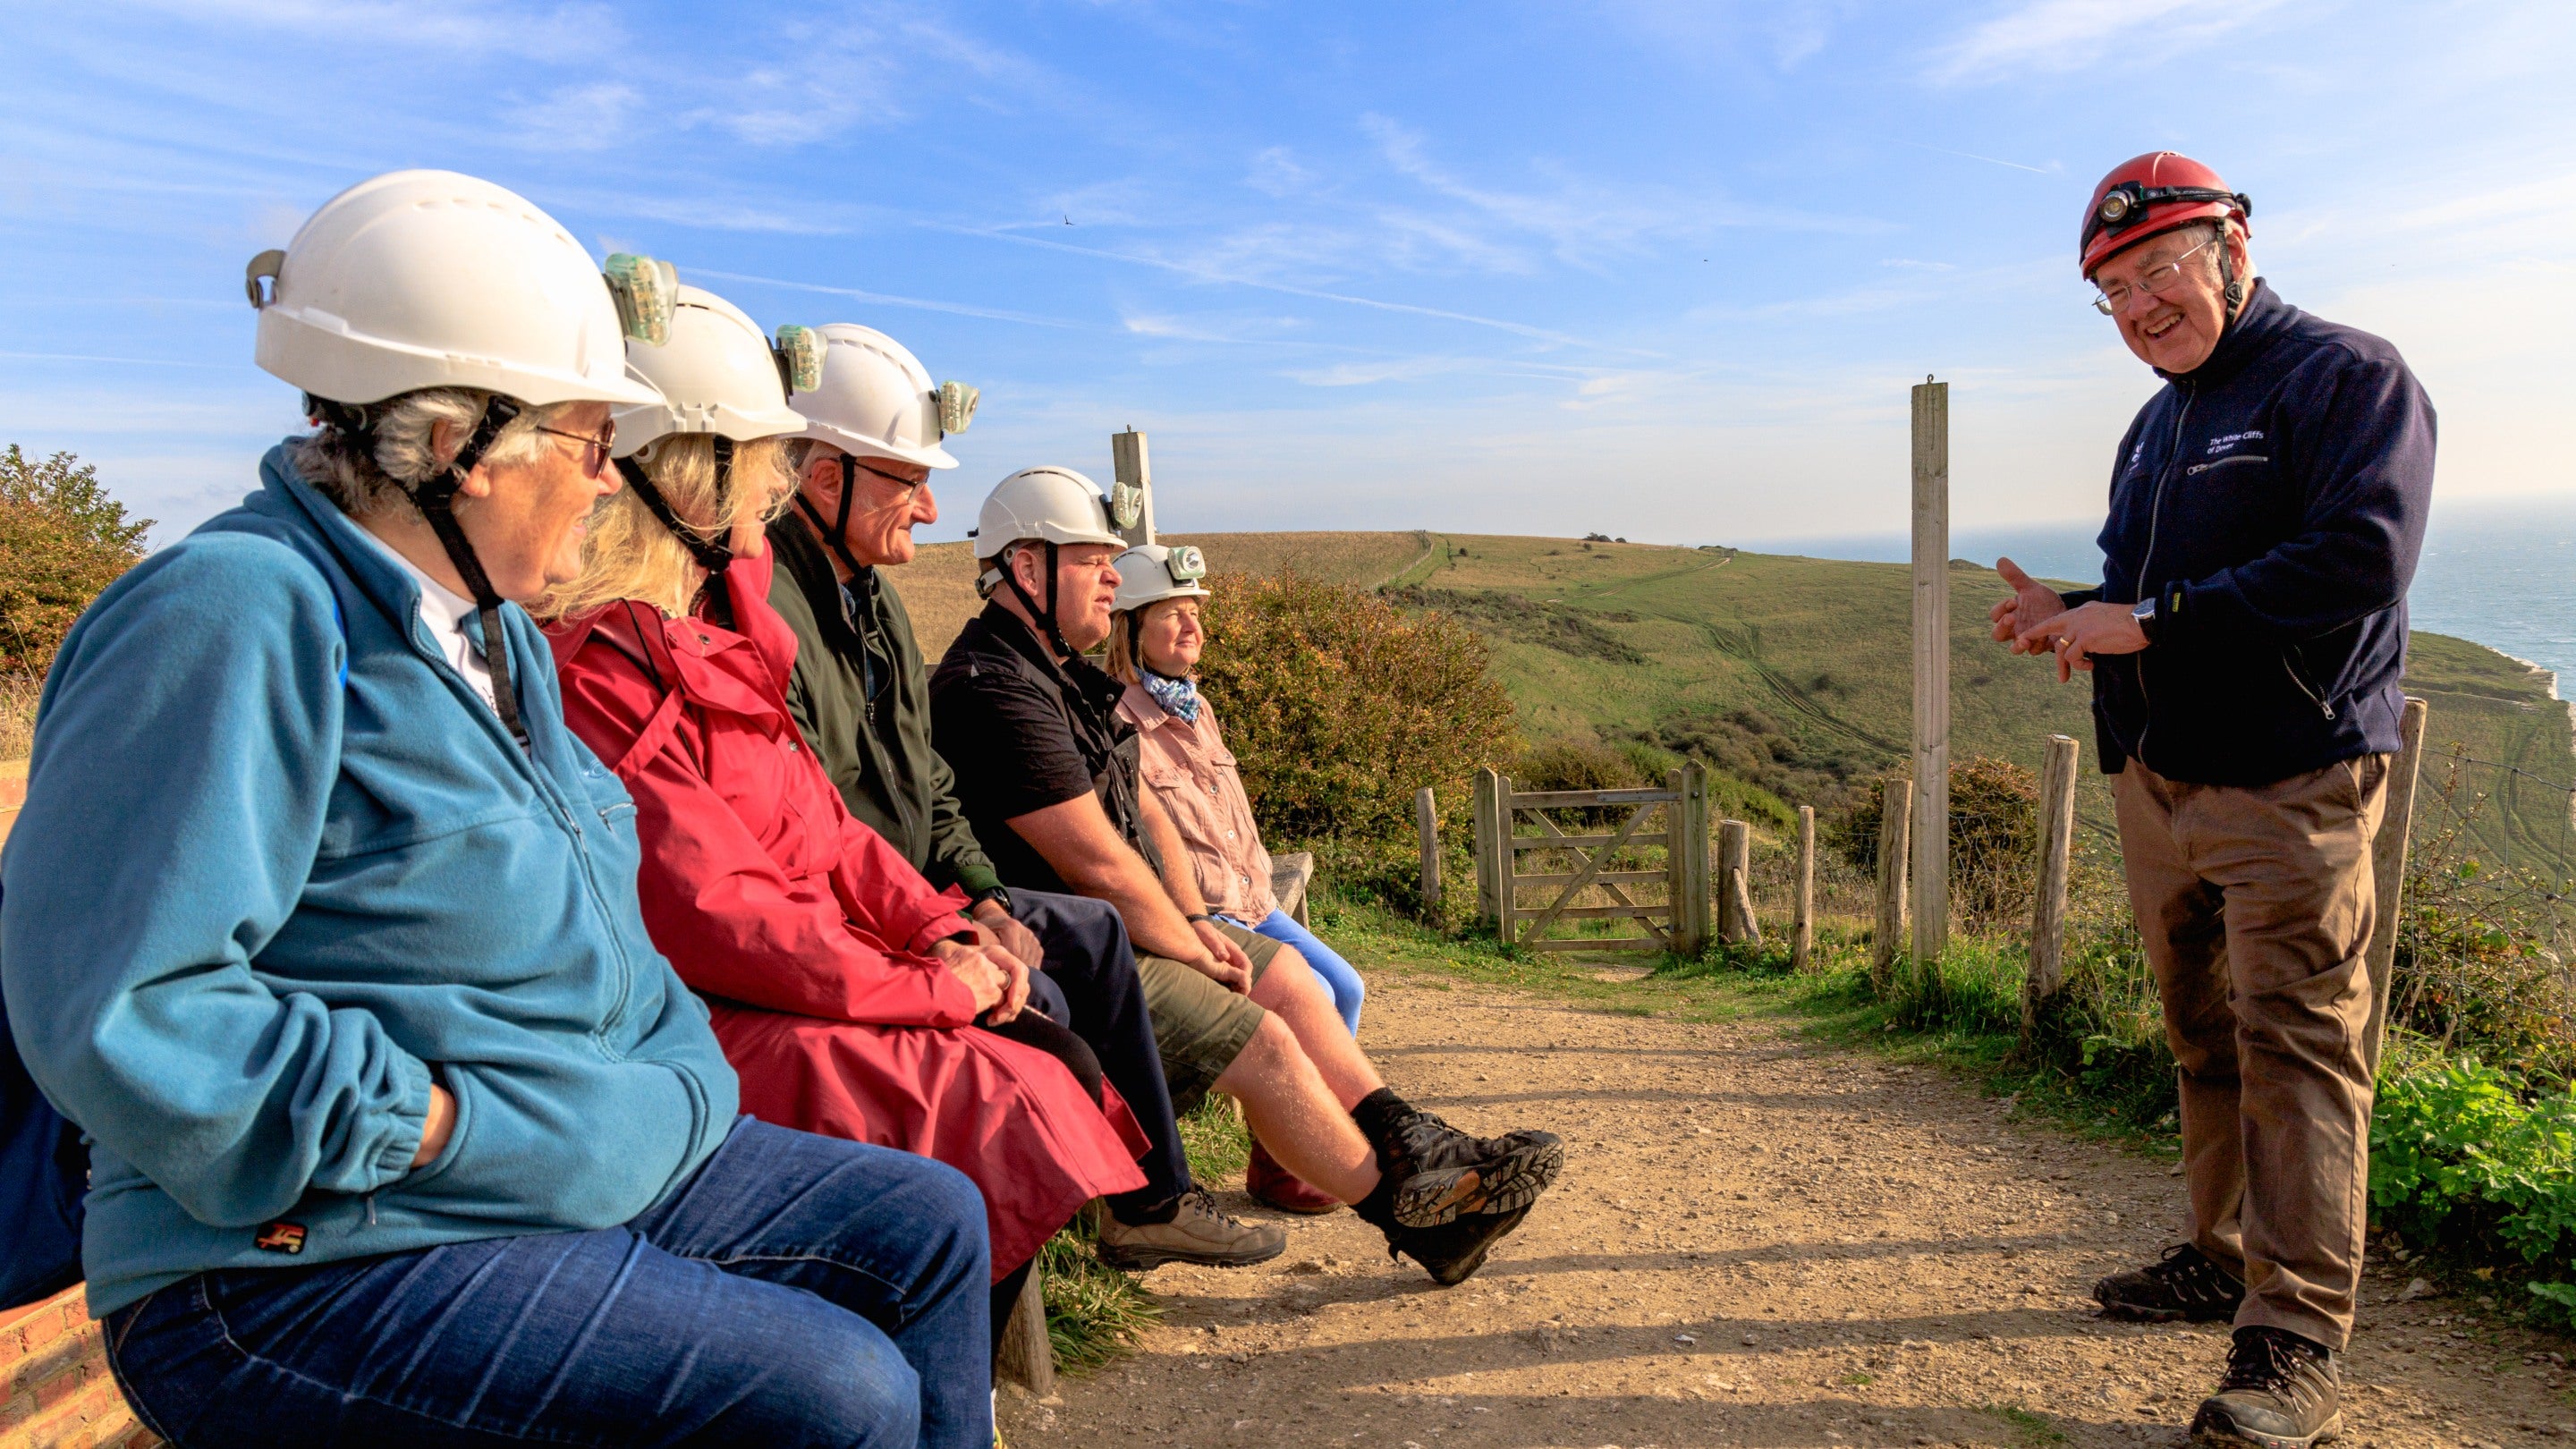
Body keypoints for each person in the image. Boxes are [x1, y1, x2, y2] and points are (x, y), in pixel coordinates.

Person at [0, 171, 991, 1447]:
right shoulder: (236, 617)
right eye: (590, 442)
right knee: (831, 1395)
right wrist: (441, 1128)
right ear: (462, 446)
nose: (604, 483)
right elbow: (123, 1009)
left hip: (558, 1174)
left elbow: (619, 954)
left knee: (930, 1227)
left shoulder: (500, 643)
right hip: (297, 1261)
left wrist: (667, 1096)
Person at [537, 284, 1153, 1329]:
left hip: (791, 976)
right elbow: (713, 910)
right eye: (761, 468)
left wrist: (945, 927)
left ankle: (940, 1357)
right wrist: (927, 987)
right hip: (706, 1012)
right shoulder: (602, 666)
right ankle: (907, 1356)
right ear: (689, 481)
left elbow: (824, 826)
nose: (770, 497)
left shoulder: (716, 639)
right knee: (1000, 1089)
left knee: (1040, 1055)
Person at [1989, 151, 2435, 1449]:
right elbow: (2149, 591)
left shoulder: (2347, 376)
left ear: (2236, 247)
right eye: (2113, 289)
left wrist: (2153, 620)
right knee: (2203, 1038)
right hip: (2159, 785)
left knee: (2297, 1044)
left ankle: (2292, 1338)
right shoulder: (2158, 420)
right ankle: (2223, 1250)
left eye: (2160, 268)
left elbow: (2360, 558)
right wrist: (2073, 613)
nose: (2139, 306)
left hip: (2289, 781)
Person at [930, 466, 1566, 1286]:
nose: (1115, 578)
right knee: (1259, 1038)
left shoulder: (1060, 675)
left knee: (1295, 979)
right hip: (1082, 953)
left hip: (1142, 928)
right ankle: (1415, 1213)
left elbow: (1145, 820)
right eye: (1094, 561)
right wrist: (1191, 951)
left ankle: (1419, 1143)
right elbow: (1096, 863)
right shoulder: (994, 688)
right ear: (1027, 568)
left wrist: (1198, 923)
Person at [766, 322, 1284, 1270]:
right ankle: (1031, 1255)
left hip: (918, 887)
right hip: (862, 906)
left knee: (1086, 931)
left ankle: (1149, 1201)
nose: (928, 509)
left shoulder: (869, 598)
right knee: (1047, 1008)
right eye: (907, 480)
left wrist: (982, 888)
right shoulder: (774, 604)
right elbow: (808, 814)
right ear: (827, 478)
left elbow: (924, 776)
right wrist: (945, 917)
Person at [1107, 542, 1370, 1213]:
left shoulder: (1196, 707)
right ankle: (1296, 1160)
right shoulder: (1120, 720)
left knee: (1345, 987)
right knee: (1304, 992)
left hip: (1253, 899)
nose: (1193, 628)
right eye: (1172, 615)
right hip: (1207, 911)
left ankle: (1280, 1157)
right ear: (1130, 629)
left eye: (1194, 612)